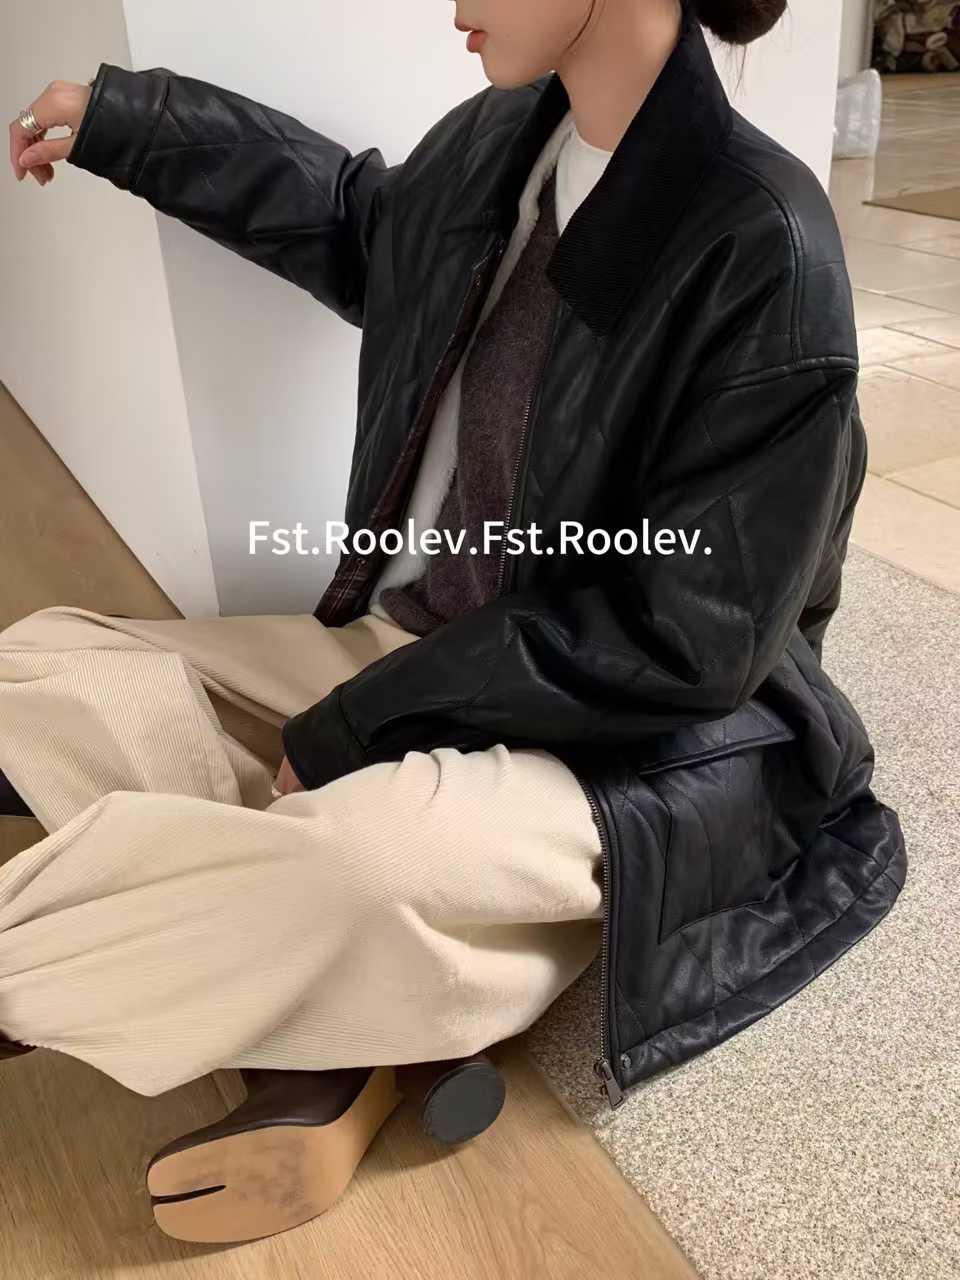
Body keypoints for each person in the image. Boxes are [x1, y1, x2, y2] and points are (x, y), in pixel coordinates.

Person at [3, 0, 906, 1246]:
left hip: (628, 743)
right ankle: (362, 998)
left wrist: (357, 724)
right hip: (427, 647)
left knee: (356, 859)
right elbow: (359, 221)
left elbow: (692, 637)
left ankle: (283, 933)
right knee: (43, 669)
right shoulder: (501, 139)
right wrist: (128, 121)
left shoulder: (766, 241)